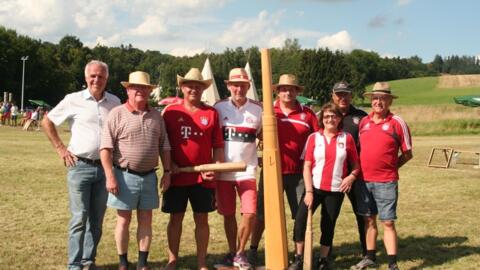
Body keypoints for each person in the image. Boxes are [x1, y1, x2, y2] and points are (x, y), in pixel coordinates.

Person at [42, 60, 121, 270]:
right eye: (93, 76)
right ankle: (74, 264)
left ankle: (88, 261)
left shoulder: (115, 102)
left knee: (96, 220)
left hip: (105, 169)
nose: (97, 80)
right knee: (79, 218)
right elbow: (47, 121)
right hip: (80, 166)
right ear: (86, 77)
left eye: (101, 76)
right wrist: (60, 147)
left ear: (107, 79)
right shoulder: (72, 100)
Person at [100, 71, 171, 270]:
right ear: (128, 90)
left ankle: (142, 263)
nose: (140, 91)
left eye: (145, 88)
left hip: (149, 176)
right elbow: (106, 148)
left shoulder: (157, 116)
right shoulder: (117, 113)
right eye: (136, 87)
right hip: (124, 175)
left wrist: (167, 172)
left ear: (150, 91)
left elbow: (164, 147)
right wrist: (110, 176)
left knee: (146, 220)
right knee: (123, 220)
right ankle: (123, 262)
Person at [248, 74, 320, 266]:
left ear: (297, 91)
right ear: (277, 91)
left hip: (299, 174)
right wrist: (257, 156)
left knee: (300, 216)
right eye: (283, 89)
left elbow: (317, 141)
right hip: (272, 172)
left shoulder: (308, 114)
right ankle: (253, 250)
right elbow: (252, 134)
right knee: (262, 214)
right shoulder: (268, 112)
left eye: (291, 89)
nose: (287, 92)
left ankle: (298, 257)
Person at [162, 68, 224, 270]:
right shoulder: (170, 111)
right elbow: (162, 144)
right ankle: (172, 260)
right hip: (177, 176)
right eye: (190, 86)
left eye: (198, 86)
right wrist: (168, 166)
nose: (194, 89)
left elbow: (218, 147)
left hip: (202, 177)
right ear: (182, 87)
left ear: (203, 89)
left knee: (202, 219)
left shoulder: (211, 113)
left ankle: (201, 262)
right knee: (175, 218)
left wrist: (214, 169)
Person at [289, 103, 360, 270]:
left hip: (335, 191)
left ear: (339, 118)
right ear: (322, 119)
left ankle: (323, 259)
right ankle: (299, 258)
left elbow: (356, 165)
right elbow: (306, 166)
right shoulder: (314, 138)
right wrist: (308, 191)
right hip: (314, 189)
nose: (330, 119)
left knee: (328, 225)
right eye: (327, 116)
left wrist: (351, 177)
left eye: (334, 116)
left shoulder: (346, 138)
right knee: (299, 221)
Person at [351, 82, 412, 270]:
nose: (378, 102)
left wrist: (392, 168)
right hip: (363, 181)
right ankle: (370, 257)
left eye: (383, 98)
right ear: (371, 101)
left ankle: (392, 263)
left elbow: (408, 153)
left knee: (388, 221)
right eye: (375, 98)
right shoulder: (364, 122)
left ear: (389, 102)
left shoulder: (397, 122)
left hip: (386, 181)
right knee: (368, 220)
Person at [214, 68, 262, 269]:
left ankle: (241, 253)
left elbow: (264, 137)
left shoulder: (258, 109)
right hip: (223, 171)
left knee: (250, 213)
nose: (239, 88)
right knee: (227, 214)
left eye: (243, 85)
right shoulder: (218, 107)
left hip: (247, 171)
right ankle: (232, 251)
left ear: (248, 86)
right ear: (228, 86)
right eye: (235, 84)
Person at [330, 81, 368, 257]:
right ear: (333, 96)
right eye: (339, 94)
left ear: (351, 96)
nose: (342, 98)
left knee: (362, 214)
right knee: (329, 217)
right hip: (333, 175)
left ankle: (367, 251)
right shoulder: (327, 116)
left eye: (346, 94)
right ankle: (325, 254)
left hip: (356, 175)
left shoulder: (361, 117)